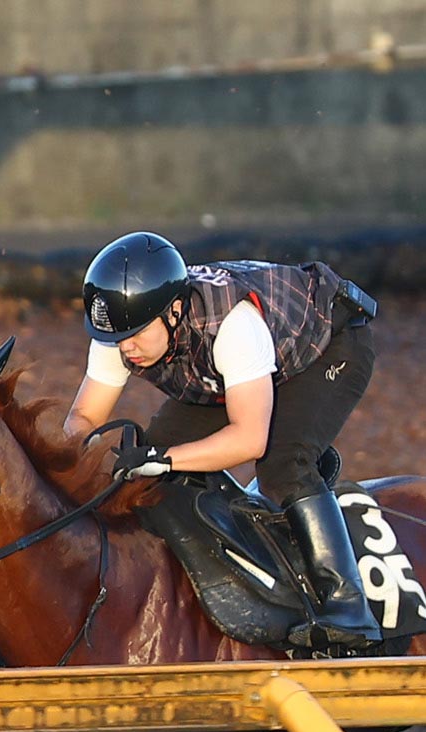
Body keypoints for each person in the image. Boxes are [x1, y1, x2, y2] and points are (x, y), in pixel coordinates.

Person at [63, 230, 382, 648]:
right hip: (228, 370)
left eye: (137, 334)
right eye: (117, 338)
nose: (127, 348)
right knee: (149, 477)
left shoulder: (233, 326)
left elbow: (249, 440)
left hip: (327, 346)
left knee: (283, 463)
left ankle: (348, 605)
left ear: (174, 310)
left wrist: (164, 457)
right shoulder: (121, 330)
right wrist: (72, 464)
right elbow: (84, 418)